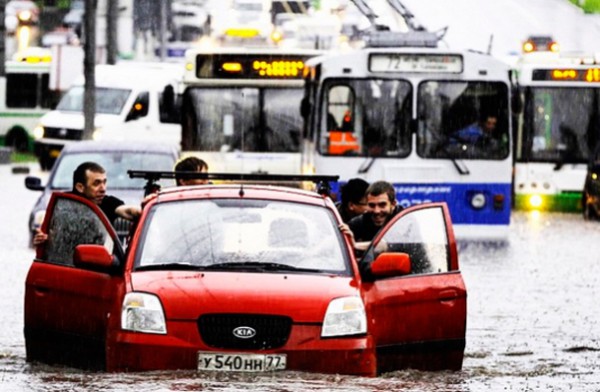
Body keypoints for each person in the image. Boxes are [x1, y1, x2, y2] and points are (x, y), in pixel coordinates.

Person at [32, 161, 141, 245]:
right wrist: (43, 239)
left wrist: (143, 209)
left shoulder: (108, 202)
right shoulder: (62, 206)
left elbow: (127, 211)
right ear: (80, 187)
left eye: (104, 182)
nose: (103, 189)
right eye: (96, 183)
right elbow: (49, 236)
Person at [341, 180, 403, 253]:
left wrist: (355, 245)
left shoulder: (404, 221)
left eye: (382, 205)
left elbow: (388, 244)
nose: (376, 211)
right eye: (372, 205)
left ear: (393, 204)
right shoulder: (360, 222)